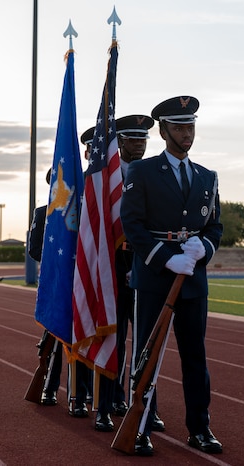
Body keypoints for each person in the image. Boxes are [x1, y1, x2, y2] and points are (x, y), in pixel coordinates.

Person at [120, 96, 223, 456]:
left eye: (190, 126)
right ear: (163, 131)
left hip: (193, 279)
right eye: (179, 127)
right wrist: (166, 258)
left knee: (195, 356)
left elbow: (214, 225)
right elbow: (132, 225)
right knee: (147, 355)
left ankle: (200, 428)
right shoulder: (143, 172)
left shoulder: (207, 177)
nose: (186, 134)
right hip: (153, 277)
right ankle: (142, 426)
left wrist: (203, 249)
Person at [93, 114, 158, 433]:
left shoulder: (154, 175)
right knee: (113, 338)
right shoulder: (108, 177)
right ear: (119, 142)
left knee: (147, 341)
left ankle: (147, 406)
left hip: (146, 263)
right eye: (133, 139)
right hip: (115, 262)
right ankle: (104, 406)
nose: (139, 144)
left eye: (143, 139)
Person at [28, 167, 92, 417]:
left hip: (83, 284)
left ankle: (82, 392)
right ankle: (49, 387)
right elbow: (34, 249)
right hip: (58, 284)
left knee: (85, 337)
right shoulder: (43, 213)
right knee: (53, 341)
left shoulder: (85, 212)